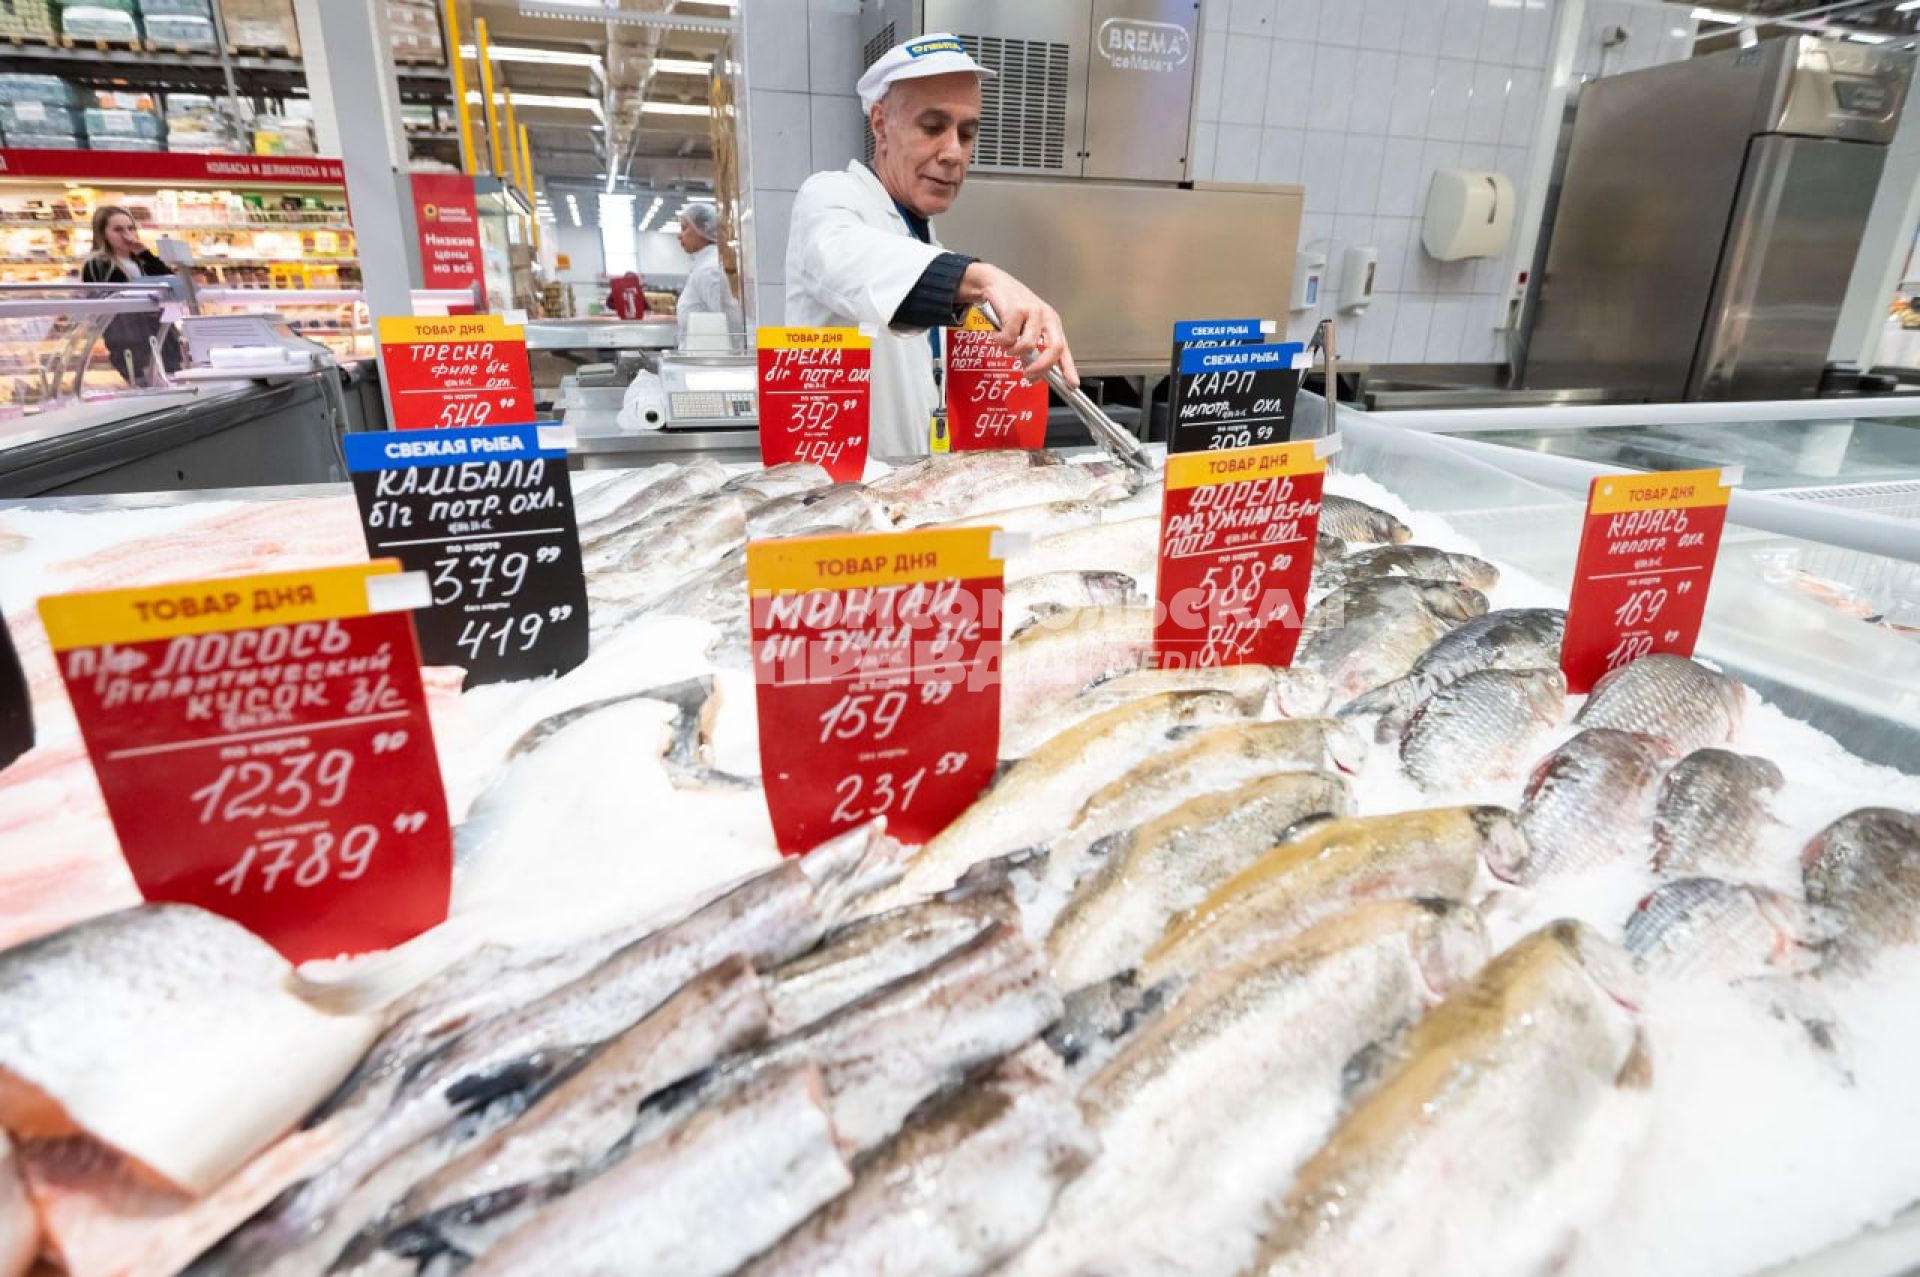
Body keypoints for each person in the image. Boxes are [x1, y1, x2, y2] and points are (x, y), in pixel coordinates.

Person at [786, 33, 1078, 457]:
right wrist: (978, 275)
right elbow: (847, 259)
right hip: (839, 502)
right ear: (880, 123)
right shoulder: (830, 198)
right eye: (933, 127)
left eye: (966, 132)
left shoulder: (924, 239)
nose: (954, 153)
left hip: (911, 496)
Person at [79, 204, 183, 387]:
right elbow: (114, 315)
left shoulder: (140, 261)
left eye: (130, 228)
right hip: (134, 351)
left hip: (163, 344)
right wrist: (139, 361)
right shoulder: (97, 265)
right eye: (118, 229)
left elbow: (173, 286)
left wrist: (145, 254)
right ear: (102, 234)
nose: (126, 234)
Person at [675, 202, 741, 347]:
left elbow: (724, 324)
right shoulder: (703, 266)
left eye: (684, 228)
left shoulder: (709, 270)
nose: (679, 236)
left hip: (710, 360)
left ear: (703, 229)